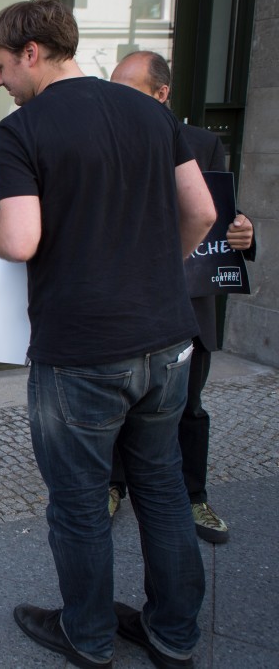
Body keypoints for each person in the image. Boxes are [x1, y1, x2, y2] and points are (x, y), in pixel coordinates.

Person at [0, 0, 216, 669]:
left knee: (80, 503)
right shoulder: (150, 111)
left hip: (81, 349)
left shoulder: (21, 129)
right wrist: (154, 270)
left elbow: (21, 239)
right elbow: (200, 210)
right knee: (162, 486)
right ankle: (174, 634)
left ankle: (87, 635)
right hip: (167, 338)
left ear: (31, 52)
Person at [107, 50, 256, 544]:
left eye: (129, 92)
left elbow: (222, 217)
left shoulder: (201, 143)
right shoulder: (104, 143)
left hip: (188, 304)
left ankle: (194, 496)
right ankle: (113, 485)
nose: (116, 102)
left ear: (161, 95)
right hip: (124, 301)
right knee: (116, 406)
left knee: (189, 405)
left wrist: (243, 234)